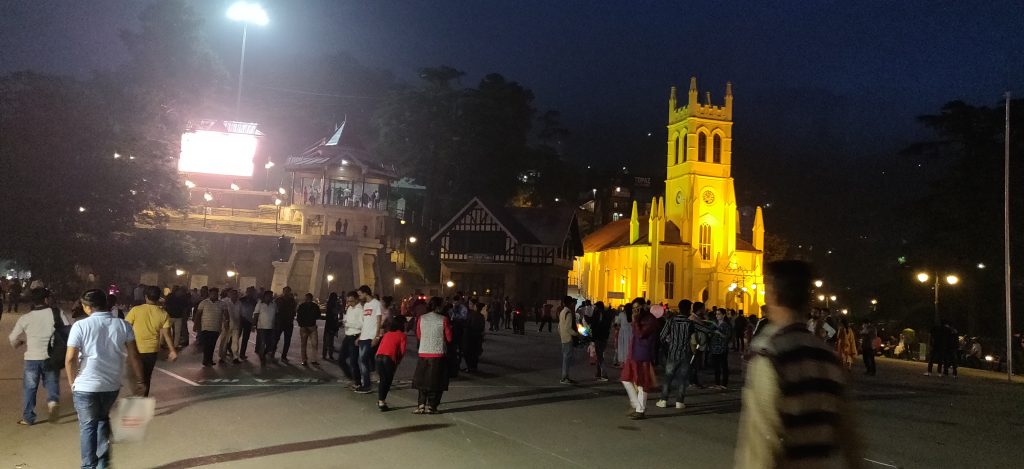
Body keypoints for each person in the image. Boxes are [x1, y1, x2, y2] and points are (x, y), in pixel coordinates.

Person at [734, 260, 861, 468]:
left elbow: (761, 447)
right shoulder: (827, 357)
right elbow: (850, 439)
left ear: (771, 294)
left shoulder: (771, 355)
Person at [65, 289, 146, 469]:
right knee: (102, 419)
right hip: (110, 386)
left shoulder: (80, 326)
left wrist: (72, 383)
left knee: (88, 427)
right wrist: (141, 381)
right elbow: (134, 356)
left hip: (85, 386)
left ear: (87, 307)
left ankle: (88, 466)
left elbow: (70, 358)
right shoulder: (123, 325)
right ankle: (102, 464)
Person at [9, 287, 71, 425]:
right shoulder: (56, 313)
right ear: (46, 299)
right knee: (51, 382)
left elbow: (12, 338)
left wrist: (18, 343)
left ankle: (28, 418)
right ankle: (53, 402)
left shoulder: (26, 318)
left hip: (32, 358)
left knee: (30, 388)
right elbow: (68, 330)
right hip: (52, 356)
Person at [657, 300, 712, 409]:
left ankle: (663, 400)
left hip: (673, 351)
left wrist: (668, 343)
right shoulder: (690, 322)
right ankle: (679, 401)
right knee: (682, 378)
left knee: (668, 376)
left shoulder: (671, 320)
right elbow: (705, 330)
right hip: (685, 352)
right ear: (688, 309)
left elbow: (662, 336)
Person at [124, 286, 177, 396]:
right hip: (151, 350)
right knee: (146, 376)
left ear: (145, 297)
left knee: (134, 376)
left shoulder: (135, 310)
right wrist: (172, 350)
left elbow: (125, 327)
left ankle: (137, 399)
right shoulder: (163, 313)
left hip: (135, 349)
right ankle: (142, 400)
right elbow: (167, 334)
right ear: (158, 298)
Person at [413, 298, 452, 414]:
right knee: (436, 381)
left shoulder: (422, 318)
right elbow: (449, 338)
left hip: (423, 352)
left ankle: (421, 405)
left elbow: (419, 335)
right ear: (439, 307)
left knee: (422, 380)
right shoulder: (443, 319)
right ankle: (432, 406)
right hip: (437, 353)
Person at [620, 298, 658, 419]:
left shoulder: (650, 319)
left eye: (638, 307)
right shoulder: (639, 318)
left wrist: (635, 320)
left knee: (642, 383)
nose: (636, 310)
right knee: (625, 378)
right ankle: (636, 405)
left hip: (643, 353)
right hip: (633, 352)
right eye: (634, 308)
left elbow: (641, 334)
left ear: (644, 306)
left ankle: (640, 409)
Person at [375, 316, 407, 411]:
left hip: (378, 357)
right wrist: (398, 362)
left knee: (383, 379)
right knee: (387, 381)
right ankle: (381, 401)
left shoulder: (387, 334)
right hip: (388, 358)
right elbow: (402, 351)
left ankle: (381, 400)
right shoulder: (402, 335)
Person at [355, 285, 382, 393]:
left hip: (371, 337)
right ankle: (366, 382)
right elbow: (365, 323)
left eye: (360, 294)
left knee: (363, 360)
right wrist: (360, 337)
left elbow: (379, 321)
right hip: (364, 337)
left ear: (366, 293)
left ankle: (367, 385)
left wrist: (377, 336)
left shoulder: (376, 304)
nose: (359, 297)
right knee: (362, 361)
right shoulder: (366, 305)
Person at [194, 288, 226, 367]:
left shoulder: (222, 304)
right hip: (205, 327)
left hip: (216, 328)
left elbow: (226, 314)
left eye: (215, 293)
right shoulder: (204, 303)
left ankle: (210, 359)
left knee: (212, 344)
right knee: (206, 344)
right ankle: (205, 360)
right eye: (212, 293)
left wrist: (227, 322)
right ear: (210, 294)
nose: (214, 295)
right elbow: (198, 315)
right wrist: (196, 325)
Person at [340, 291, 362, 382]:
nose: (349, 303)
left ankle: (358, 382)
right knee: (341, 360)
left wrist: (348, 324)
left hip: (354, 337)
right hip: (347, 336)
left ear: (357, 299)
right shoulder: (349, 308)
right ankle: (351, 378)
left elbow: (361, 325)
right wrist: (344, 321)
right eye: (348, 301)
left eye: (351, 301)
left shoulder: (360, 309)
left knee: (353, 362)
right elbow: (346, 320)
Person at [557, 296, 580, 384]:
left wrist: (562, 335)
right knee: (567, 359)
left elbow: (559, 327)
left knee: (565, 358)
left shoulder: (562, 312)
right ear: (570, 303)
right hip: (568, 339)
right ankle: (564, 377)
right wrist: (576, 334)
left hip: (563, 338)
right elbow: (568, 328)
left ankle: (565, 377)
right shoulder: (569, 313)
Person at [709, 308, 733, 390]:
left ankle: (724, 384)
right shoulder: (714, 324)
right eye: (716, 314)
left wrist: (719, 333)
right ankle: (717, 383)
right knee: (716, 367)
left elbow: (728, 337)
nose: (717, 316)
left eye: (719, 314)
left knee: (723, 366)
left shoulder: (726, 325)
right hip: (714, 348)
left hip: (722, 348)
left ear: (723, 315)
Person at [296, 293, 322, 367]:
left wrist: (301, 325)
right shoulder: (314, 306)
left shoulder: (302, 306)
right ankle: (312, 360)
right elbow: (318, 315)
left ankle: (304, 360)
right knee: (314, 344)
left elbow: (299, 317)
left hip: (305, 327)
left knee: (304, 344)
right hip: (311, 327)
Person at [274, 286, 298, 363]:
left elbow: (294, 311)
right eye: (285, 291)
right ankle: (272, 352)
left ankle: (284, 356)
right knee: (276, 338)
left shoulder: (292, 301)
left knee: (287, 341)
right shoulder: (278, 300)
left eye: (288, 291)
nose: (287, 292)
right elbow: (275, 310)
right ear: (283, 291)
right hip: (280, 322)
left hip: (288, 323)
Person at [218, 289, 242, 365]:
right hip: (226, 324)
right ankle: (222, 357)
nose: (235, 295)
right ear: (229, 294)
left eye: (236, 294)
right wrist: (224, 322)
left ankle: (235, 357)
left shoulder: (239, 303)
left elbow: (240, 314)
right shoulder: (224, 302)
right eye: (233, 294)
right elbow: (221, 313)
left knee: (235, 342)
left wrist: (240, 324)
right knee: (224, 341)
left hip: (236, 325)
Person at [254, 290, 277, 366]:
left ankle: (264, 353)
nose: (270, 297)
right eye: (268, 296)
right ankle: (262, 357)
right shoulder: (260, 304)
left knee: (270, 343)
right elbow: (256, 314)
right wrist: (254, 325)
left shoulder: (274, 304)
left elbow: (276, 314)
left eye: (271, 296)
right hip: (262, 327)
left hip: (271, 327)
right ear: (265, 296)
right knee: (263, 342)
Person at [590, 301, 613, 381]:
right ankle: (598, 373)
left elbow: (595, 325)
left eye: (596, 306)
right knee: (599, 355)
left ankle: (604, 375)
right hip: (604, 337)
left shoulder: (598, 314)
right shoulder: (607, 314)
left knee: (599, 356)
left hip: (599, 337)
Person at [462, 302, 486, 372]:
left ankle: (469, 367)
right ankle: (474, 367)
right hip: (478, 336)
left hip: (470, 336)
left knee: (468, 352)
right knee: (475, 353)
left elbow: (467, 325)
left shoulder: (471, 315)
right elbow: (482, 327)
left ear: (475, 307)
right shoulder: (481, 316)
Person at [238, 287, 258, 360]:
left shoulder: (254, 301)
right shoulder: (241, 300)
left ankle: (242, 353)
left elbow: (255, 312)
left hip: (249, 321)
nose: (250, 293)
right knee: (237, 336)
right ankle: (232, 349)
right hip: (241, 320)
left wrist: (253, 323)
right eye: (249, 291)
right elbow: (238, 310)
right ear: (246, 292)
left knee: (245, 338)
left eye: (252, 292)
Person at [323, 292, 341, 362]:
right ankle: (330, 355)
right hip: (332, 325)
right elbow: (336, 313)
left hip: (328, 325)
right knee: (331, 341)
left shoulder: (329, 304)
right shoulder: (334, 305)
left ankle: (324, 354)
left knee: (326, 341)